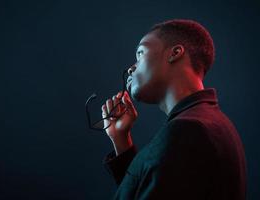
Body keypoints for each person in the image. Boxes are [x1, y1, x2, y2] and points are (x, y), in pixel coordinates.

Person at [100, 19, 246, 200]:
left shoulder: (188, 131)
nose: (131, 68)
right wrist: (121, 140)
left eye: (141, 53)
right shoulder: (209, 122)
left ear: (175, 53)